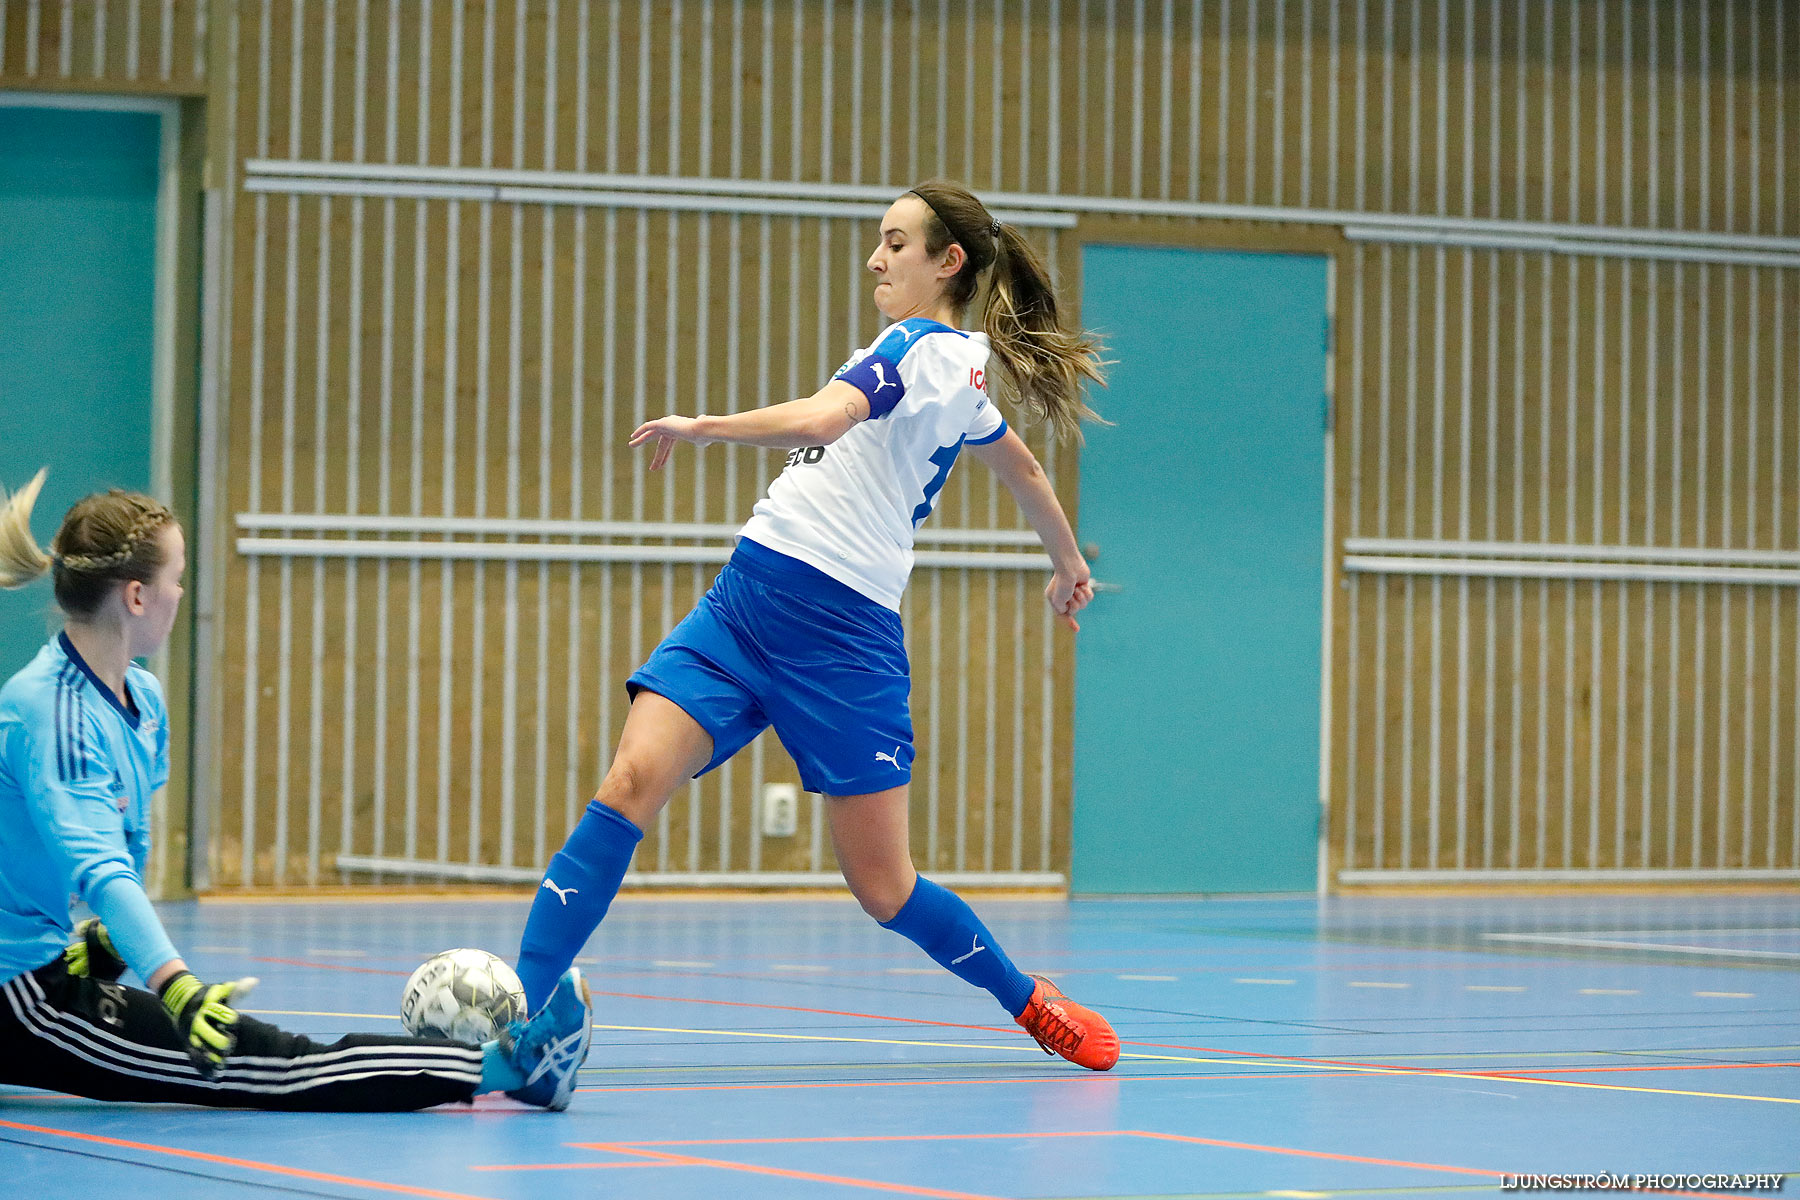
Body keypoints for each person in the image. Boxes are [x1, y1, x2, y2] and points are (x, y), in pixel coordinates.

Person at [515, 179, 1120, 1071]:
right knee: (629, 782)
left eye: (896, 243)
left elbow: (824, 417)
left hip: (845, 644)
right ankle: (523, 1018)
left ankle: (1027, 998)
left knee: (885, 889)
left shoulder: (920, 348)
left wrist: (706, 425)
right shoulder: (957, 366)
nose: (877, 258)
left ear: (947, 262)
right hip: (749, 601)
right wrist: (1068, 563)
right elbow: (1023, 467)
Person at [0, 471, 593, 1110]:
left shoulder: (140, 697)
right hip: (18, 999)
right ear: (138, 597)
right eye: (176, 577)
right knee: (273, 1065)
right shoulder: (49, 711)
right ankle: (516, 1066)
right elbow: (102, 871)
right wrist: (176, 986)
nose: (182, 592)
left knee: (257, 1054)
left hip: (46, 966)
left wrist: (106, 945)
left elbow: (126, 846)